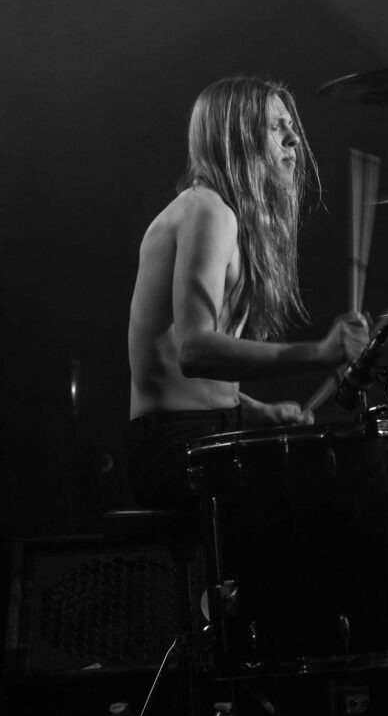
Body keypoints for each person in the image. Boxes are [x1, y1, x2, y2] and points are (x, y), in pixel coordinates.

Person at [126, 75, 369, 508]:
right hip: (177, 445)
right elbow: (193, 351)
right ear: (235, 135)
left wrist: (252, 410)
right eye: (276, 126)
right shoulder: (206, 210)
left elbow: (179, 364)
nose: (294, 138)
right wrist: (321, 352)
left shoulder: (216, 212)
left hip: (202, 430)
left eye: (291, 126)